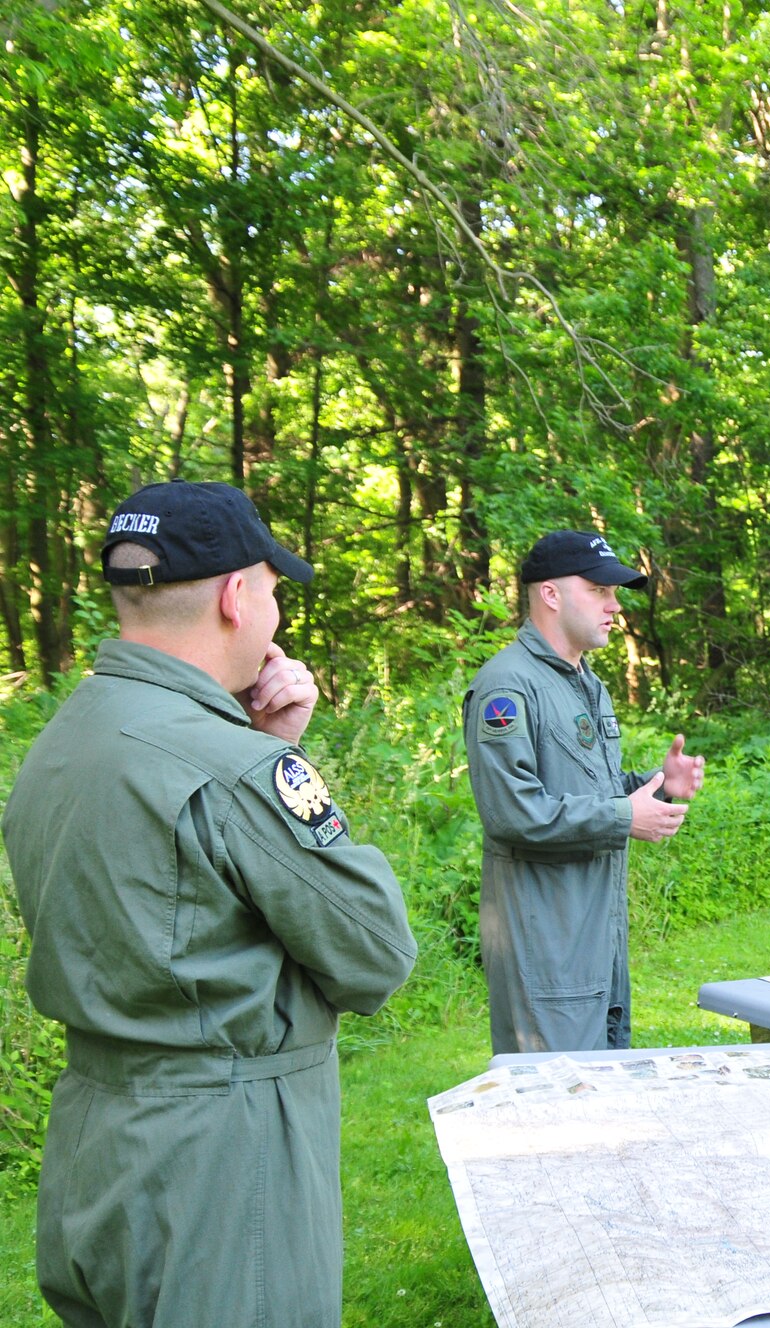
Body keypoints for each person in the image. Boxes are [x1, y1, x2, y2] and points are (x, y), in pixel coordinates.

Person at [2, 478, 417, 1327]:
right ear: (236, 595)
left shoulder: (65, 739)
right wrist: (272, 764)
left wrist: (266, 747)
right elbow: (376, 953)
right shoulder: (232, 770)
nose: (275, 618)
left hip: (95, 1144)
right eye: (271, 591)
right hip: (222, 1172)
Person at [465, 529, 705, 1055]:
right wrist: (625, 817)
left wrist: (657, 786)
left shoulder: (585, 682)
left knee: (602, 1094)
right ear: (550, 594)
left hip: (597, 933)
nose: (614, 605)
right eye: (599, 590)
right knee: (556, 1104)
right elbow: (512, 811)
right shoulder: (507, 686)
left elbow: (592, 788)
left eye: (614, 593)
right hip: (545, 940)